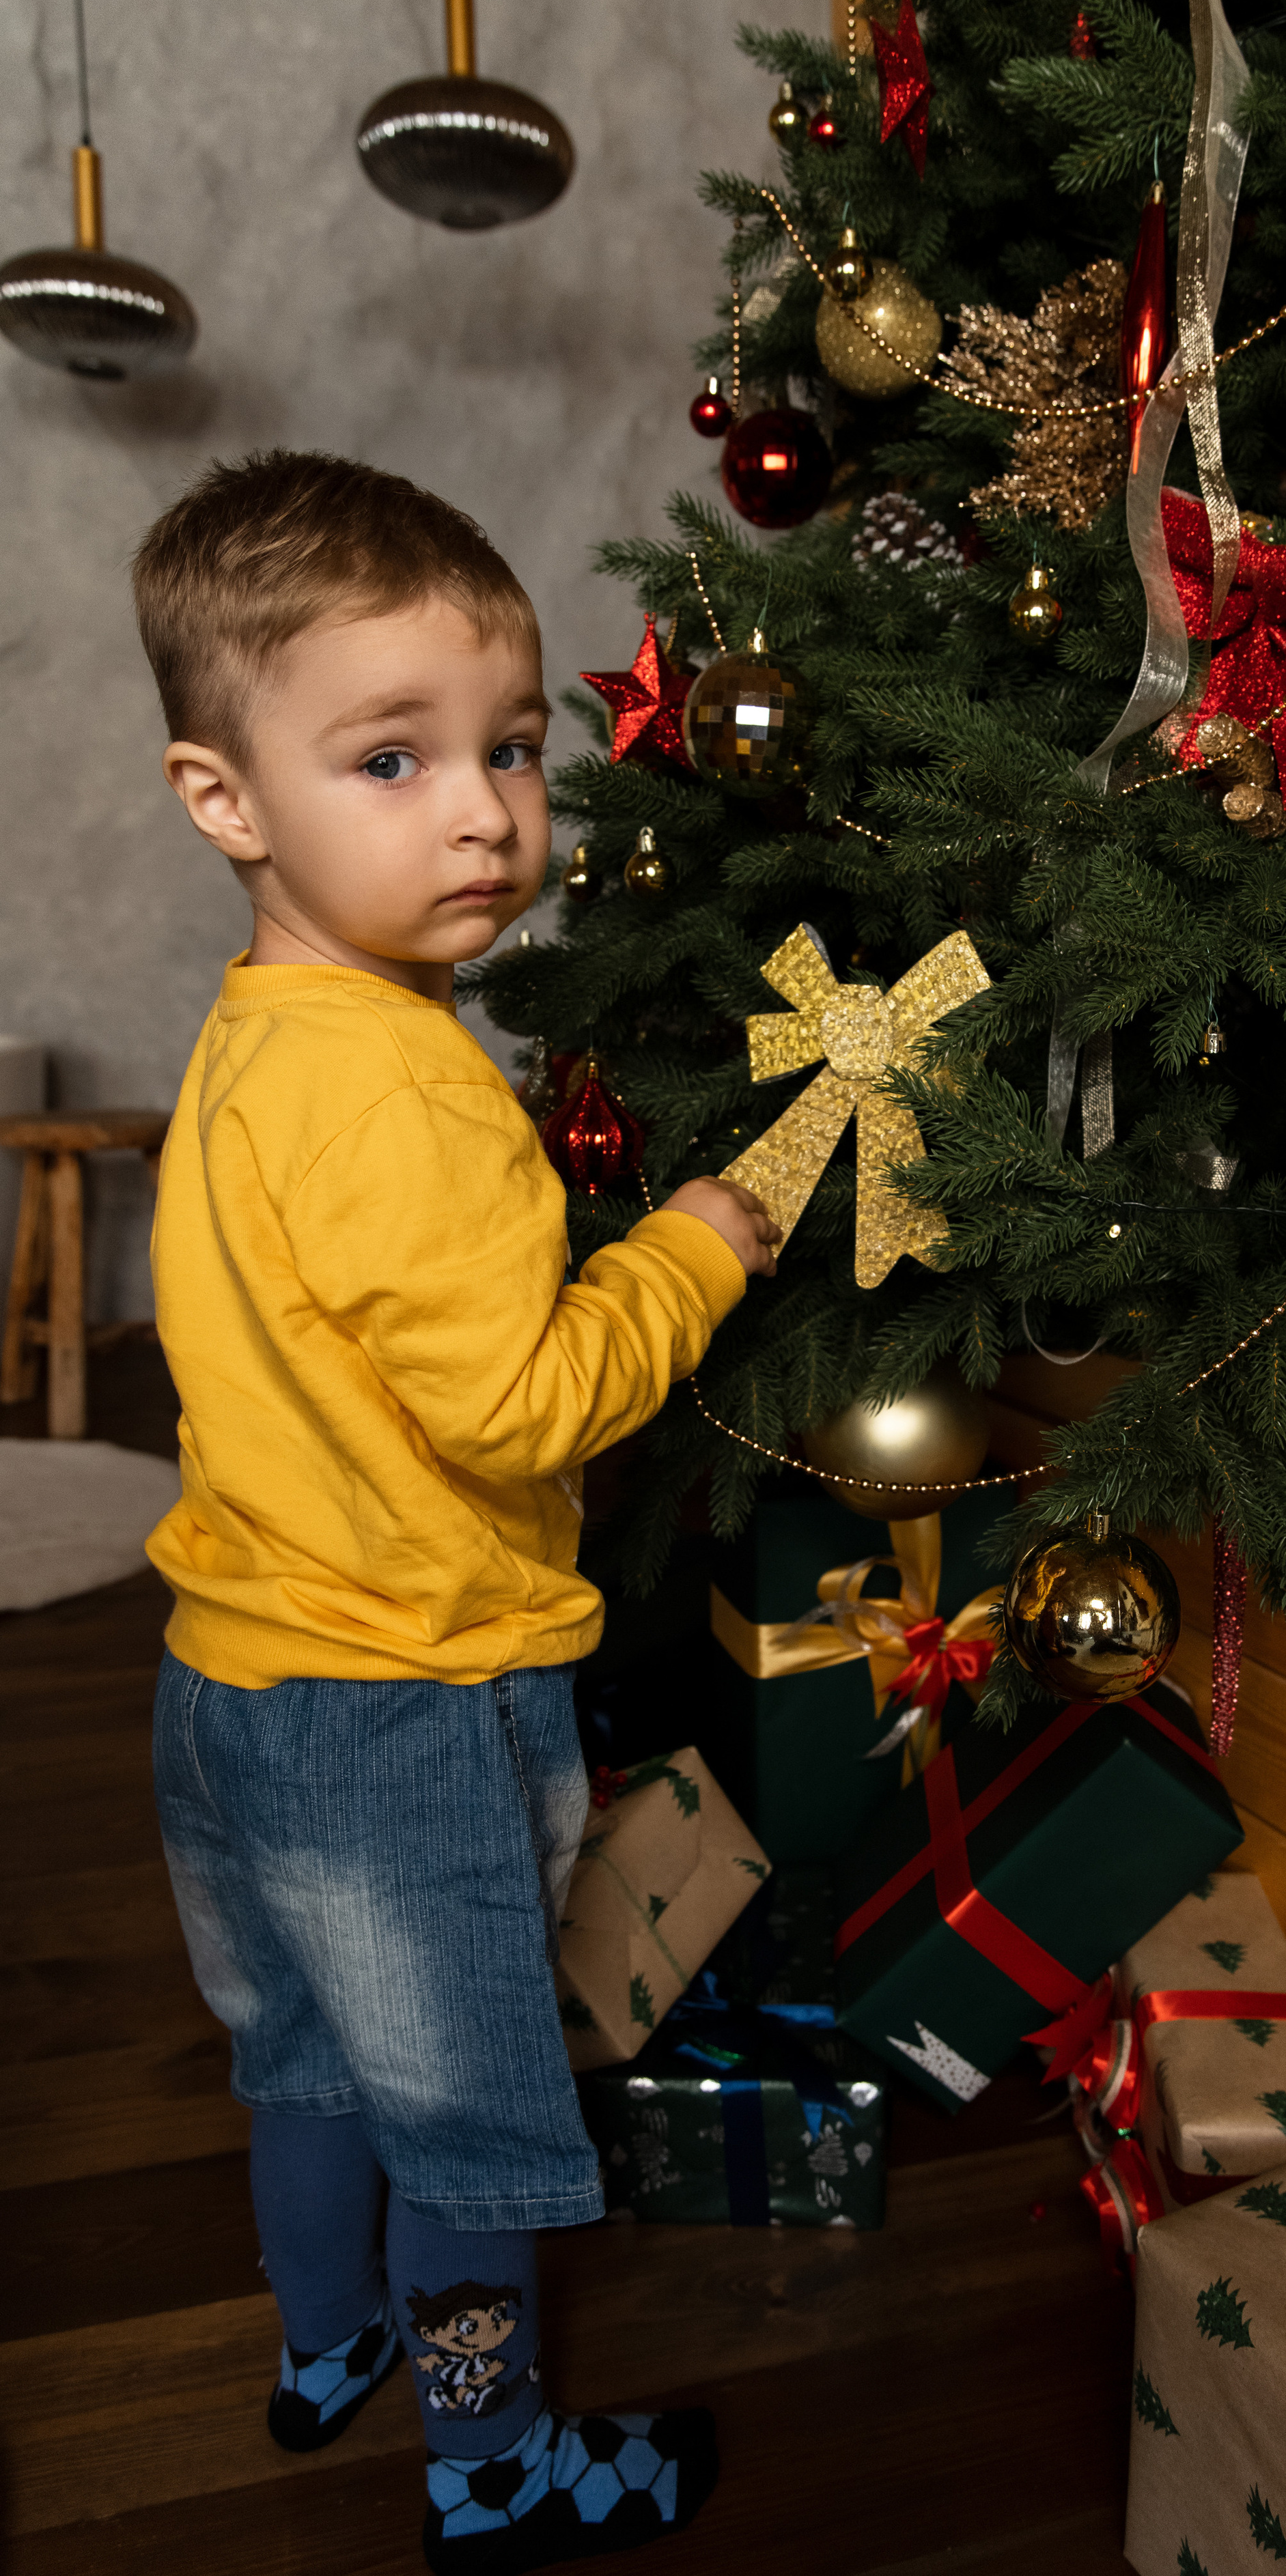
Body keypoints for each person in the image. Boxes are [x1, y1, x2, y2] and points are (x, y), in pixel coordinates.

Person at [132, 449, 777, 2572]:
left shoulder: (261, 1037)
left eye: (510, 746)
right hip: (405, 1702)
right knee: (482, 2132)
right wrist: (699, 1240)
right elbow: (522, 1403)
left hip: (229, 1675)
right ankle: (496, 2468)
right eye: (390, 759)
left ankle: (328, 2341)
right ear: (225, 797)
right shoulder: (411, 1087)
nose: (488, 810)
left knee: (299, 2057)